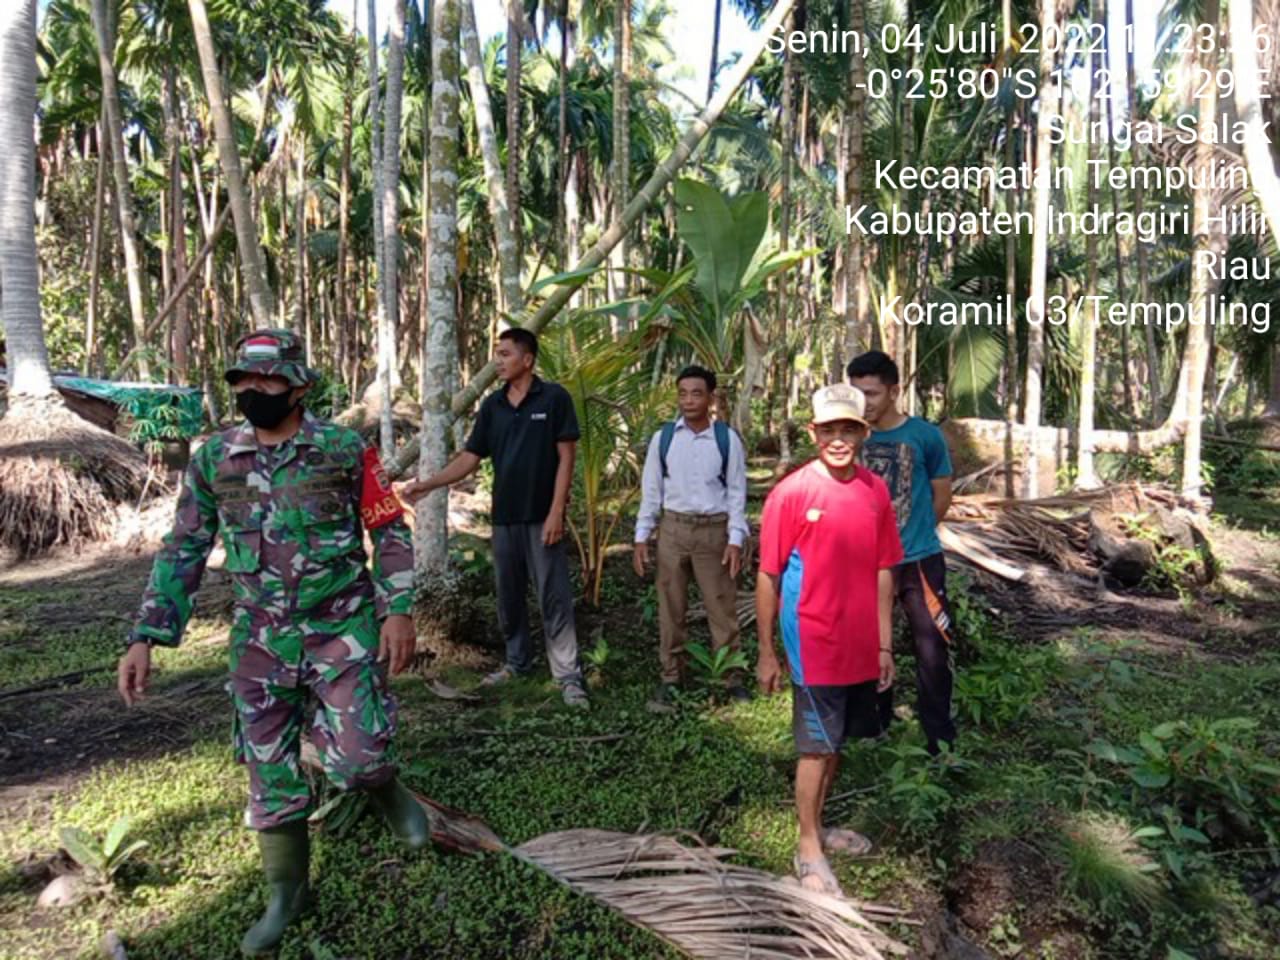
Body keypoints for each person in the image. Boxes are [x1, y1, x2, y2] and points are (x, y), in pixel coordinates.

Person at [117, 329, 429, 956]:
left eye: (269, 380)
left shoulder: (342, 449)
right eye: (244, 381)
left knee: (358, 757)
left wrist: (398, 608)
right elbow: (183, 546)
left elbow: (388, 529)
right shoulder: (214, 459)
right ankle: (288, 894)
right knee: (270, 772)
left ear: (300, 386)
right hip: (260, 639)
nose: (254, 390)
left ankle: (382, 787)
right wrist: (147, 634)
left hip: (341, 626)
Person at [754, 384, 903, 896]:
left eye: (849, 429)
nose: (839, 439)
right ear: (812, 432)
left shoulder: (874, 490)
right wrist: (767, 651)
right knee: (816, 747)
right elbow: (768, 574)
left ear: (862, 433)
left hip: (861, 642)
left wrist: (884, 644)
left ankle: (818, 827)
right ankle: (807, 847)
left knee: (836, 742)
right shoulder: (791, 494)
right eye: (829, 430)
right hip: (813, 640)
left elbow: (886, 568)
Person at [396, 328, 588, 707]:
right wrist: (428, 484)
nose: (498, 361)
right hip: (503, 519)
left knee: (553, 596)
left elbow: (566, 458)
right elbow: (470, 459)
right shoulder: (493, 406)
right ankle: (517, 663)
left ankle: (568, 676)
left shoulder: (553, 399)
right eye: (496, 354)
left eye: (504, 354)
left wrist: (556, 513)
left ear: (527, 359)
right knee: (509, 595)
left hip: (541, 517)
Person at [847, 350, 956, 755]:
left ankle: (939, 737)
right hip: (863, 562)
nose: (864, 402)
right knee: (868, 643)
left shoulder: (925, 436)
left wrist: (914, 533)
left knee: (931, 646)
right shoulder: (851, 436)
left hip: (919, 560)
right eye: (857, 393)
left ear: (895, 390)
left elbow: (941, 495)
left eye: (872, 393)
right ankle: (874, 722)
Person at [633, 366, 750, 704]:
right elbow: (651, 491)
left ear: (711, 398)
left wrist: (735, 539)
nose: (688, 400)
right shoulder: (664, 439)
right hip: (673, 530)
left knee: (721, 606)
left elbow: (736, 493)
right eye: (682, 393)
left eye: (696, 393)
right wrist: (642, 536)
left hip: (714, 531)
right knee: (671, 606)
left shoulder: (726, 440)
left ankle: (731, 677)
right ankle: (671, 675)